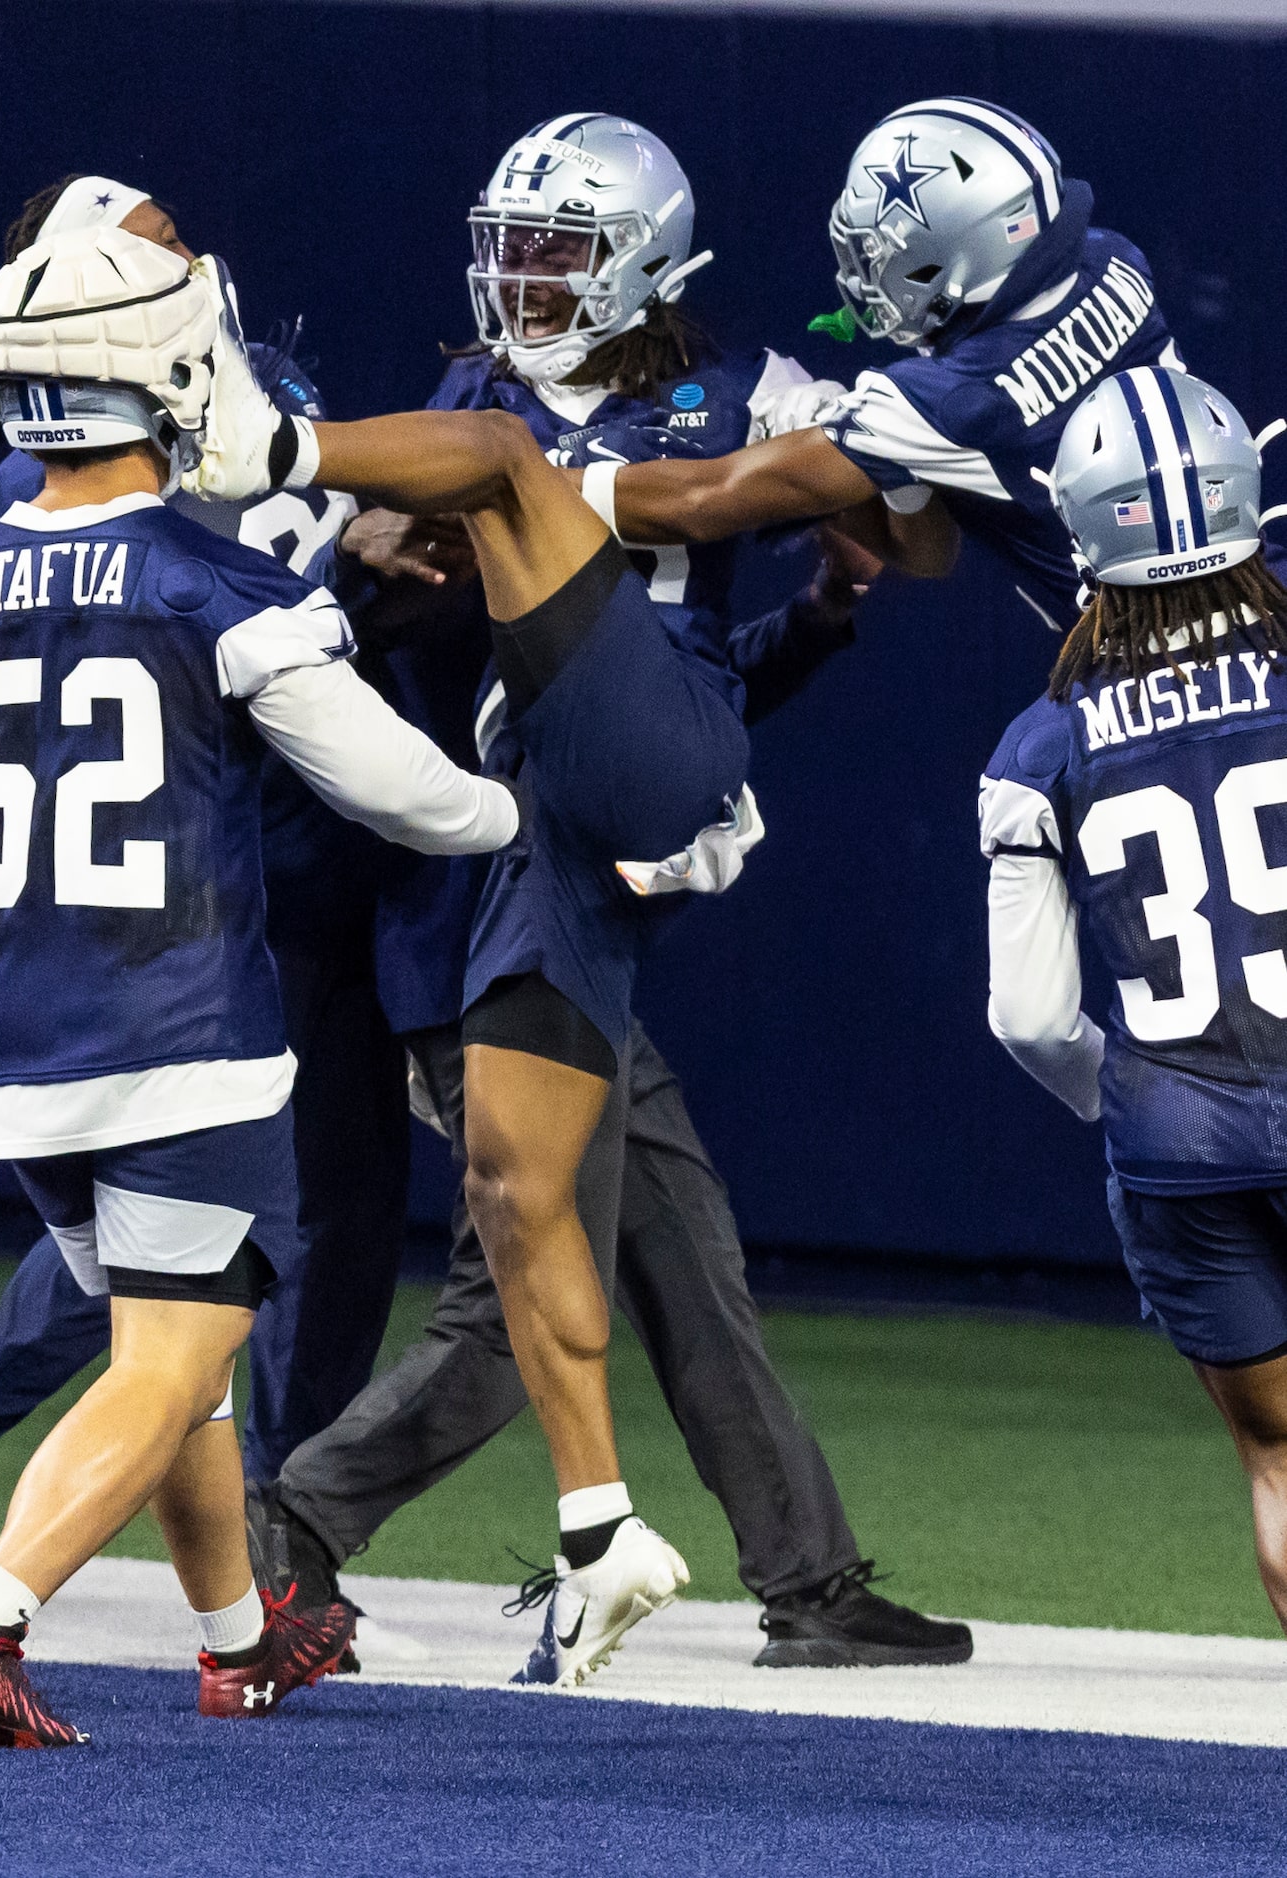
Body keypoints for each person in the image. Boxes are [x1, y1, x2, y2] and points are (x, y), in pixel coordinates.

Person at [184, 105, 966, 1676]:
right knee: (521, 1275)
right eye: (508, 249)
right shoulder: (469, 413)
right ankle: (299, 1517)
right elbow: (363, 647)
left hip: (611, 840)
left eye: (557, 251)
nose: (525, 280)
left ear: (644, 266)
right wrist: (372, 576)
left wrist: (820, 603)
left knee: (678, 1241)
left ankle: (807, 1580)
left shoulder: (744, 396)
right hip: (482, 888)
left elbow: (891, 547)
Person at [0, 224, 517, 1745]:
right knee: (180, 1343)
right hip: (182, 1035)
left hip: (8, 1054)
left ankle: (239, 1638)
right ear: (176, 371)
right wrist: (530, 814)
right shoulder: (218, 580)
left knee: (164, 1348)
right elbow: (405, 793)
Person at [979, 363, 1287, 1629]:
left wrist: (1140, 1096)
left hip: (1180, 1142)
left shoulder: (1041, 744)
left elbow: (1030, 1017)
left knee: (1277, 1460)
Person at [572, 98, 1179, 629]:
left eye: (879, 253)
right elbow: (929, 550)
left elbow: (706, 499)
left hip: (1156, 669)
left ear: (966, 250)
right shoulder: (1115, 261)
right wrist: (896, 467)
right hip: (1253, 588)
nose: (864, 277)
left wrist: (529, 479)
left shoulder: (946, 402)